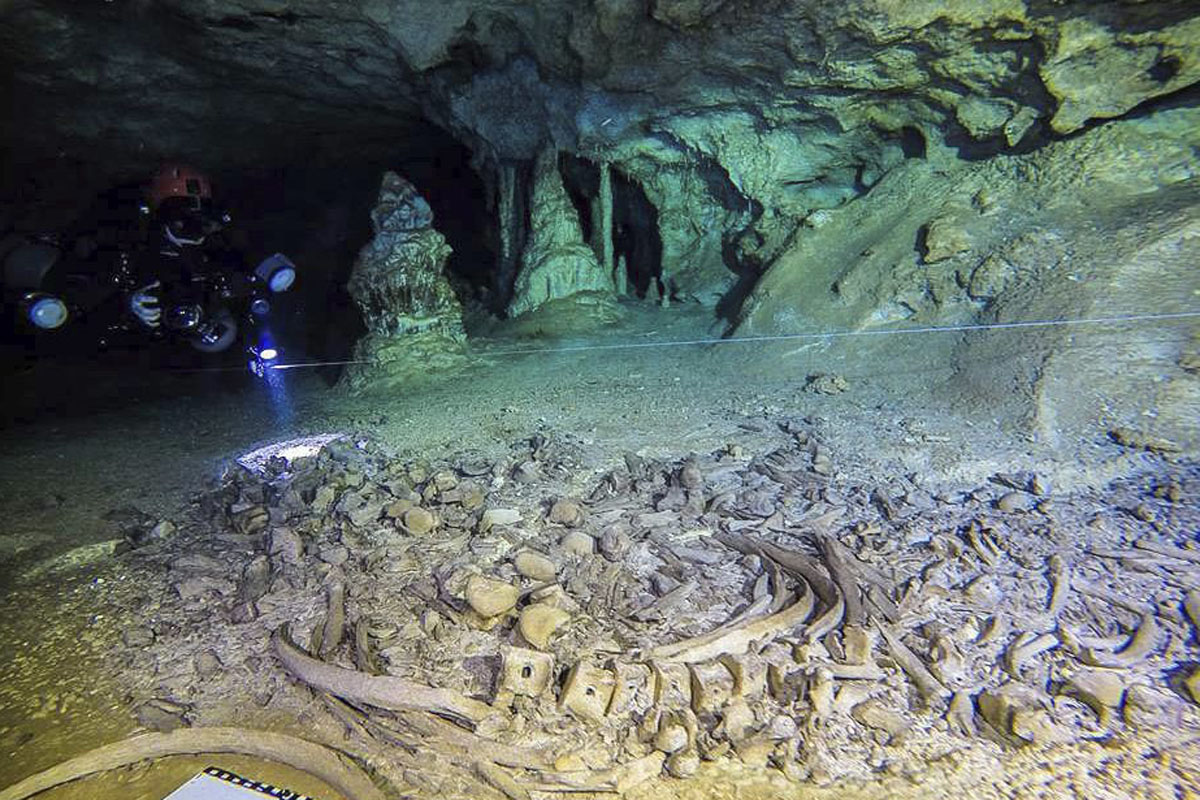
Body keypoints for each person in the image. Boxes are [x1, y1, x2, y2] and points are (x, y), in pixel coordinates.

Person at [128, 164, 239, 328]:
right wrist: (132, 304)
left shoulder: (219, 248)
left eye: (200, 214)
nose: (192, 224)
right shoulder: (140, 248)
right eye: (181, 214)